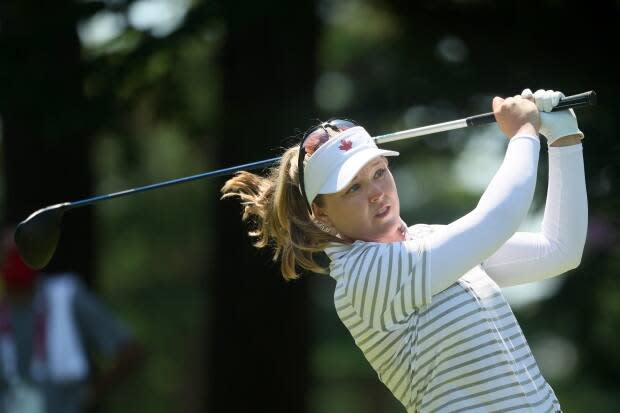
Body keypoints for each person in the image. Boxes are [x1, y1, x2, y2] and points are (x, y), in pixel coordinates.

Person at [221, 88, 587, 412]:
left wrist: (564, 140)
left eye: (379, 172)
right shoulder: (364, 277)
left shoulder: (427, 239)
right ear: (321, 214)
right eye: (353, 188)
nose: (377, 192)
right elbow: (497, 219)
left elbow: (559, 250)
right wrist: (524, 133)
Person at [0, 227, 144, 413]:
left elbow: (130, 351)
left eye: (19, 252)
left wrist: (89, 395)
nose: (13, 259)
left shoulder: (66, 297)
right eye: (7, 253)